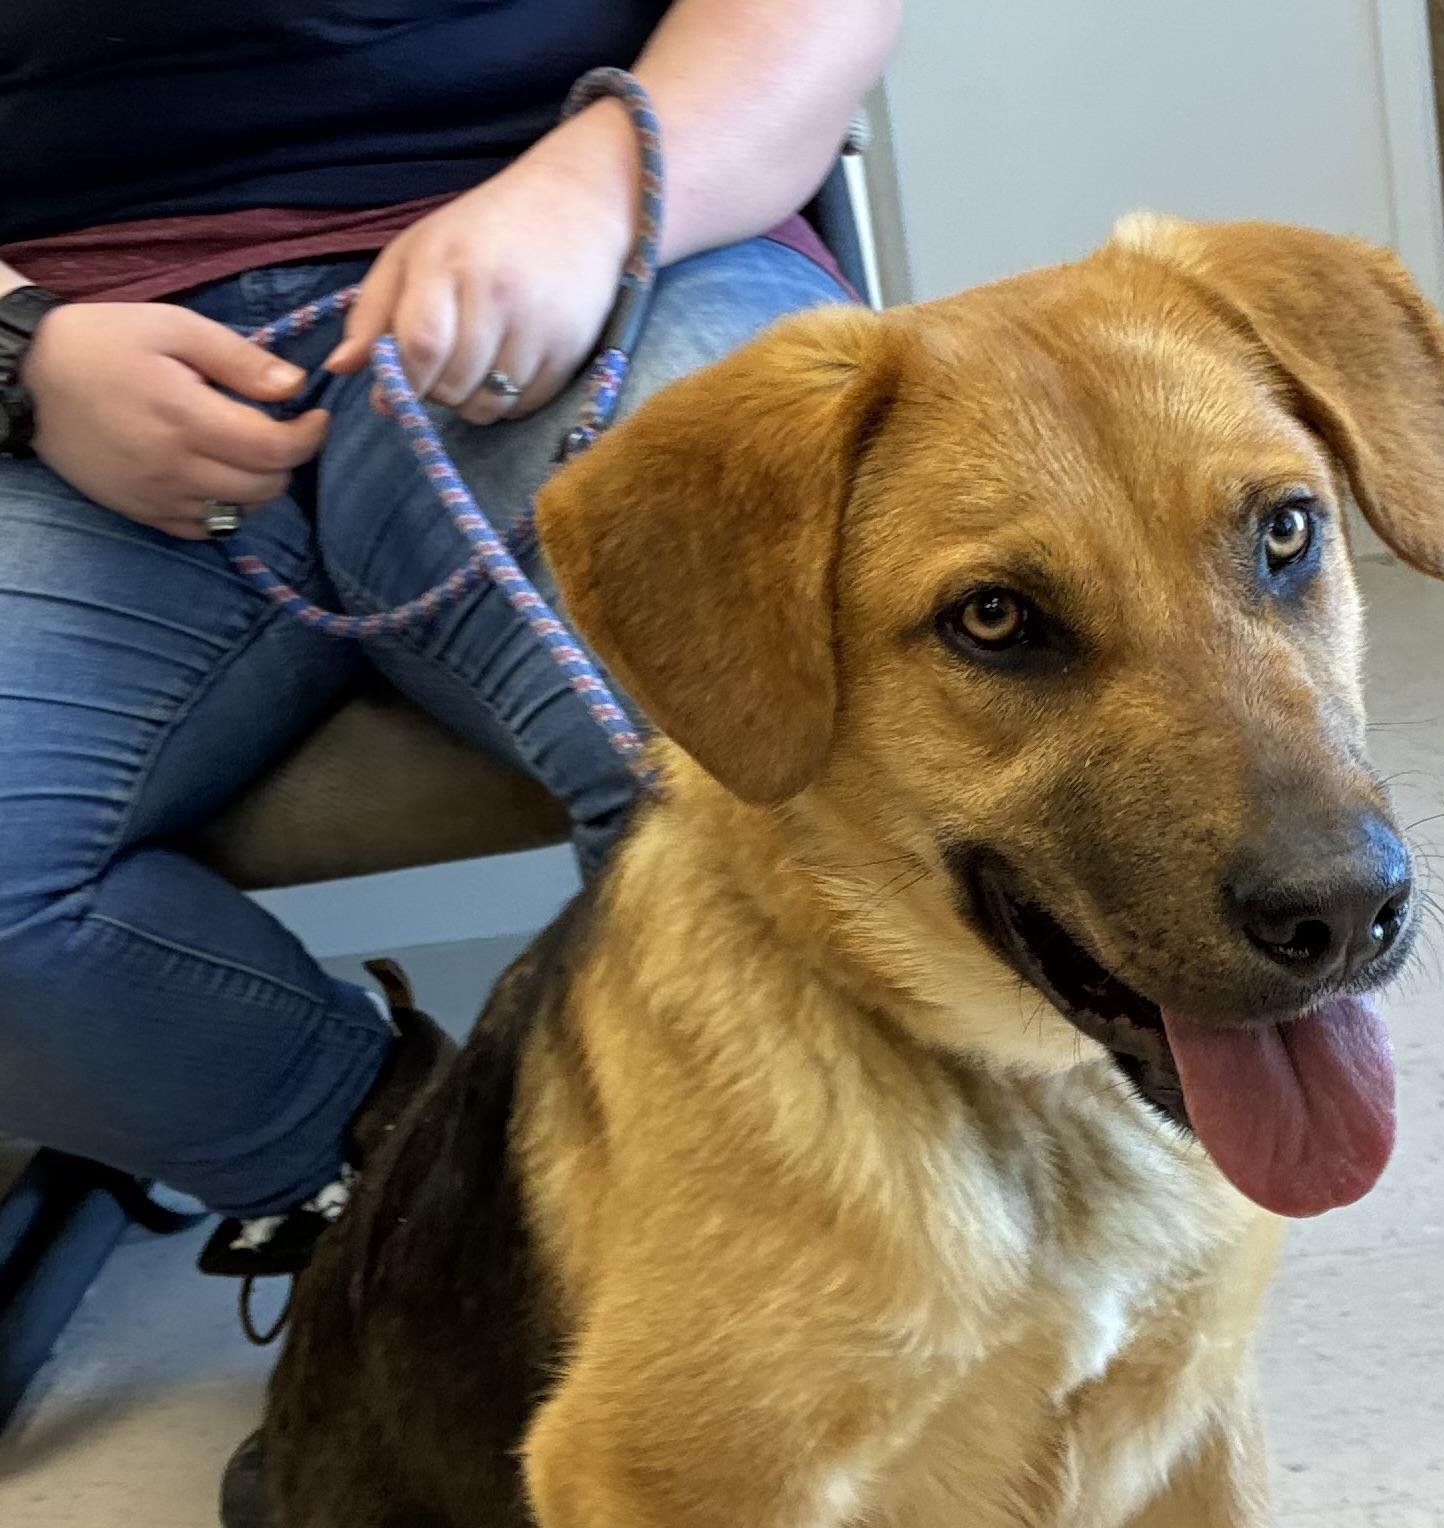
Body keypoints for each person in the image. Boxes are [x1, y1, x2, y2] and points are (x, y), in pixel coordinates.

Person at [0, 0, 897, 1281]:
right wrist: (20, 352)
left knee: (779, 743)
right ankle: (416, 1204)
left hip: (594, 234)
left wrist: (592, 194)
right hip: (76, 371)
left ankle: (820, 1290)